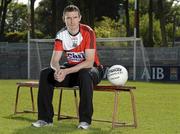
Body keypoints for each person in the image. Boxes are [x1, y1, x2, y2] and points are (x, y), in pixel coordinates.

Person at [32, 5, 104, 129]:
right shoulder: (61, 34)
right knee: (45, 74)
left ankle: (85, 121)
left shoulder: (88, 32)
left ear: (80, 18)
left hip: (93, 70)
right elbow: (54, 61)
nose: (72, 21)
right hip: (72, 70)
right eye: (68, 18)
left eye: (75, 17)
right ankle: (44, 119)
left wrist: (66, 71)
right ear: (63, 19)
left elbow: (89, 62)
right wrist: (58, 71)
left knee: (84, 74)